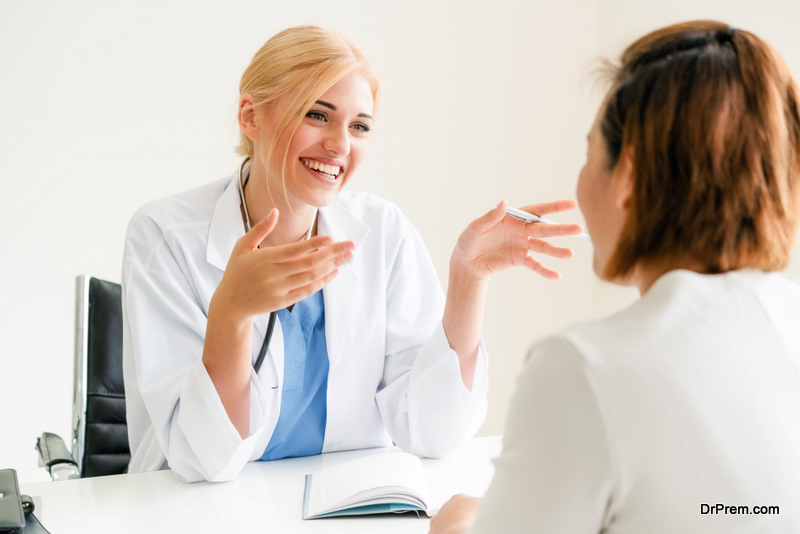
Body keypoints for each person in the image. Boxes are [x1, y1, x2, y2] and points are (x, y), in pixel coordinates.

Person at [121, 26, 582, 483]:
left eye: (359, 126)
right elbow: (202, 462)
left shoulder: (383, 232)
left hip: (346, 513)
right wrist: (231, 316)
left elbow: (434, 435)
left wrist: (468, 279)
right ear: (250, 116)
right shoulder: (165, 236)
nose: (340, 145)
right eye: (317, 115)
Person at [431, 20, 800, 533]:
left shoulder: (581, 367)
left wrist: (456, 525)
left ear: (627, 174)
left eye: (589, 155)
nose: (581, 182)